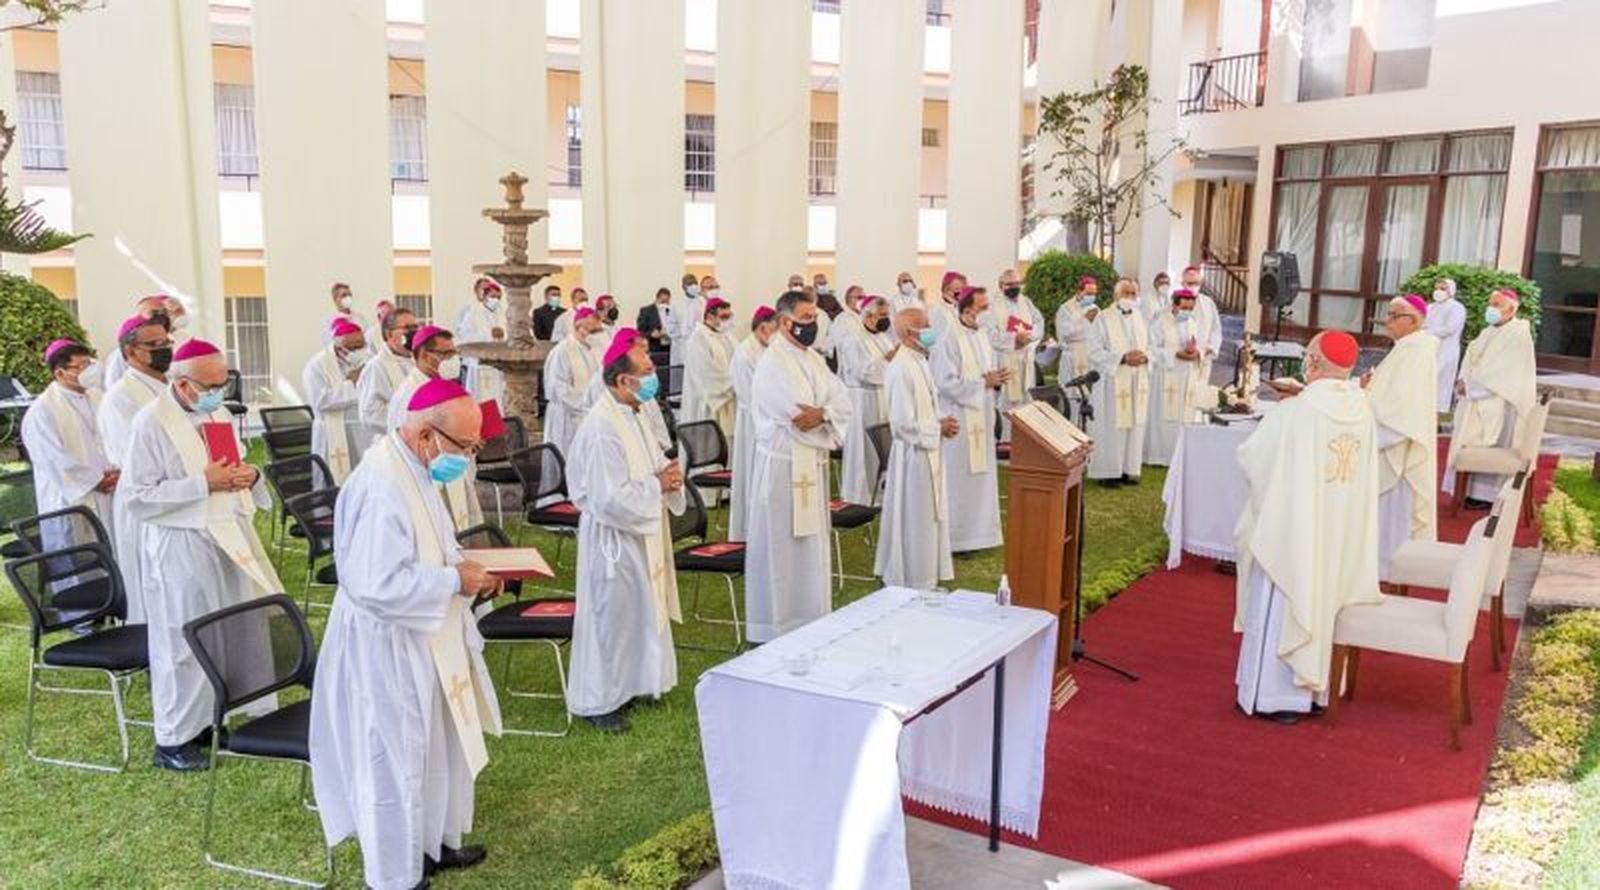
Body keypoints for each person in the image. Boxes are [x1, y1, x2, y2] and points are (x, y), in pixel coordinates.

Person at [309, 378, 501, 890]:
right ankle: (394, 875)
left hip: (427, 634)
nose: (471, 456)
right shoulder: (381, 484)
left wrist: (469, 569)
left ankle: (430, 844)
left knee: (434, 746)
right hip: (386, 646)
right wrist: (453, 580)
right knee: (393, 760)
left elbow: (435, 545)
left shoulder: (414, 469)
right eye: (467, 446)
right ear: (425, 437)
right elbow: (377, 583)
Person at [122, 339, 278, 771]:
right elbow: (136, 496)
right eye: (209, 385)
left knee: (226, 632)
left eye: (222, 382)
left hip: (228, 533)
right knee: (183, 638)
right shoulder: (149, 423)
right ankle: (172, 739)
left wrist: (251, 474)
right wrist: (201, 484)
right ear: (183, 383)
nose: (218, 392)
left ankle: (214, 718)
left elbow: (235, 463)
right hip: (181, 543)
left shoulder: (218, 411)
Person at [1234, 331, 1380, 722]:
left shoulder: (1297, 410)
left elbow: (1253, 460)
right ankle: (1315, 693)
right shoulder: (1362, 407)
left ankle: (1275, 696)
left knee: (1289, 593)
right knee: (1325, 594)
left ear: (1313, 363)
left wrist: (1281, 410)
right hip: (1338, 528)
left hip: (1296, 529)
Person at [566, 329, 687, 732]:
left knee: (637, 611)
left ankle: (634, 683)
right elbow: (607, 498)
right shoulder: (603, 428)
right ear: (623, 380)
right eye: (648, 370)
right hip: (613, 538)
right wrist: (658, 485)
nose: (655, 376)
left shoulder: (631, 413)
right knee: (611, 616)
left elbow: (651, 464)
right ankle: (600, 700)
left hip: (640, 530)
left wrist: (665, 476)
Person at [745, 290, 853, 643]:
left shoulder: (813, 360)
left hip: (809, 466)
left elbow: (841, 401)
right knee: (782, 546)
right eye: (806, 317)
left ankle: (810, 615)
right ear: (786, 321)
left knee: (810, 545)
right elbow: (795, 418)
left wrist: (824, 414)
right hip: (782, 468)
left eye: (814, 317)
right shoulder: (772, 364)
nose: (813, 324)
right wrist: (824, 416)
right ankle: (777, 622)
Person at [874, 307, 956, 589]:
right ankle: (912, 578)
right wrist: (938, 428)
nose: (930, 329)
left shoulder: (919, 360)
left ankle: (928, 577)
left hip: (928, 451)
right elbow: (901, 424)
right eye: (925, 325)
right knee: (915, 520)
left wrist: (940, 420)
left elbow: (926, 409)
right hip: (913, 457)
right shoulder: (900, 367)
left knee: (929, 518)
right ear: (909, 332)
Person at [98, 316, 173, 622]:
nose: (164, 349)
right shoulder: (120, 398)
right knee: (152, 583)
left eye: (166, 343)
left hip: (183, 493)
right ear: (130, 353)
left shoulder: (170, 387)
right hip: (147, 499)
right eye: (153, 345)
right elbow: (133, 458)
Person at [1363, 295, 1439, 577]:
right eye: (1389, 314)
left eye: (1394, 315)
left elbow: (1401, 413)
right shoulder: (1406, 348)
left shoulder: (1415, 352)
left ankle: (1387, 572)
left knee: (1391, 522)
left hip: (1397, 450)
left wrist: (1367, 432)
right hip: (1389, 440)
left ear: (1413, 321)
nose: (1387, 320)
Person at [1445, 288, 1538, 509]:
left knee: (1493, 443)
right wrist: (1462, 381)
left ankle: (1489, 496)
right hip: (1477, 397)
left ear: (1511, 309)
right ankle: (1468, 492)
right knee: (1471, 442)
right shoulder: (1488, 331)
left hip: (1504, 403)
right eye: (1491, 303)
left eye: (1496, 305)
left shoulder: (1518, 334)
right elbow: (1472, 357)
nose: (1491, 308)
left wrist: (1471, 388)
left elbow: (1504, 373)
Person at [930, 287, 1006, 552]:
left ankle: (979, 533)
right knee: (958, 475)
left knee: (981, 474)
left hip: (981, 416)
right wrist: (984, 382)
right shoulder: (948, 340)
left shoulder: (982, 336)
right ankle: (956, 537)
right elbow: (945, 382)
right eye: (984, 307)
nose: (988, 312)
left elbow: (986, 374)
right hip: (959, 418)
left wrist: (995, 380)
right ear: (967, 310)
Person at [23, 339, 117, 551]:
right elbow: (53, 460)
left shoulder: (97, 396)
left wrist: (115, 471)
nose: (89, 370)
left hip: (109, 489)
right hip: (72, 498)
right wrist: (95, 481)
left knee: (115, 555)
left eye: (90, 363)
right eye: (81, 366)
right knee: (79, 566)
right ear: (60, 373)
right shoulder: (42, 412)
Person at [389, 325, 483, 531]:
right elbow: (406, 444)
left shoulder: (443, 386)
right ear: (425, 354)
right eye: (446, 353)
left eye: (454, 352)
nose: (453, 359)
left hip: (451, 471)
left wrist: (467, 443)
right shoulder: (410, 393)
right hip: (429, 478)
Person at [1086, 279, 1151, 486]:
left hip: (1135, 379)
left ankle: (1126, 469)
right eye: (1126, 292)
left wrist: (1145, 357)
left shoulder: (1140, 317)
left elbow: (1151, 345)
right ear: (1116, 295)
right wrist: (1122, 358)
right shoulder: (1103, 318)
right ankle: (1106, 472)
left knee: (1132, 425)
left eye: (1133, 293)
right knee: (1111, 426)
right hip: (1112, 381)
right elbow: (1094, 350)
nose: (1130, 297)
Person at [836, 296, 895, 506]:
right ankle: (859, 496)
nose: (886, 320)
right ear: (868, 316)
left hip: (882, 397)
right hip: (863, 399)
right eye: (882, 316)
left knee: (882, 450)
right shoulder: (854, 340)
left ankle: (881, 494)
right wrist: (888, 360)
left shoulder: (883, 338)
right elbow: (864, 373)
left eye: (887, 315)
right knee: (864, 450)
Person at [1145, 288, 1210, 466]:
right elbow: (1151, 348)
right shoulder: (1160, 321)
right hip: (1167, 375)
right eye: (1184, 308)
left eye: (1191, 308)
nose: (1187, 312)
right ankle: (1160, 455)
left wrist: (1196, 352)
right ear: (1174, 305)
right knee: (1165, 416)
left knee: (1184, 415)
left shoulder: (1192, 322)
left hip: (1187, 376)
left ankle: (1181, 453)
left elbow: (1202, 345)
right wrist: (1175, 354)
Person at [729, 306, 777, 541]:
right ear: (763, 326)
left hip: (768, 419)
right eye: (774, 328)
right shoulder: (745, 353)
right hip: (754, 422)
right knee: (751, 473)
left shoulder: (767, 348)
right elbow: (750, 394)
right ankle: (748, 529)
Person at [301, 318, 368, 481]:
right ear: (339, 347)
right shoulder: (317, 366)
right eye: (354, 347)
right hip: (331, 437)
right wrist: (351, 383)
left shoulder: (366, 362)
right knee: (334, 481)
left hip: (363, 432)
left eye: (362, 344)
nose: (360, 350)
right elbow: (321, 401)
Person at [983, 268, 1043, 440]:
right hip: (1005, 359)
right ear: (1001, 286)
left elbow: (1039, 322)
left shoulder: (1026, 302)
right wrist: (1014, 340)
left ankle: (1024, 444)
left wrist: (1030, 336)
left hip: (1025, 359)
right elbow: (991, 335)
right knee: (1007, 402)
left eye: (1018, 283)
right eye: (1010, 284)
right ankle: (1006, 443)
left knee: (1026, 400)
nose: (1015, 287)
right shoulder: (992, 306)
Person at [542, 307, 602, 458]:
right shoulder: (562, 351)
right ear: (578, 327)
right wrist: (585, 403)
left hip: (588, 413)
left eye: (598, 331)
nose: (596, 335)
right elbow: (557, 388)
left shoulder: (593, 350)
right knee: (566, 457)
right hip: (567, 416)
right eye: (592, 331)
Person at [356, 307, 418, 451]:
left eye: (415, 327)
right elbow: (369, 414)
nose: (413, 332)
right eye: (407, 328)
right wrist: (409, 423)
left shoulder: (417, 360)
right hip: (392, 444)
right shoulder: (376, 367)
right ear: (389, 334)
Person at [102, 294, 188, 389]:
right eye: (154, 313)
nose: (161, 316)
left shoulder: (171, 344)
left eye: (164, 312)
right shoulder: (120, 355)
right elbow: (113, 386)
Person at [682, 297, 737, 438]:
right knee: (710, 449)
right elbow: (707, 378)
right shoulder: (698, 340)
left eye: (729, 316)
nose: (728, 321)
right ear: (709, 317)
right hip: (709, 406)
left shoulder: (728, 337)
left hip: (730, 401)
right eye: (724, 317)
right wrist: (737, 382)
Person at [455, 276, 508, 407]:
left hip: (499, 363)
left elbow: (509, 333)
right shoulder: (473, 312)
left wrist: (503, 334)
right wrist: (490, 334)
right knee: (480, 398)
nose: (495, 300)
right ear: (484, 295)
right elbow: (465, 336)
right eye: (492, 296)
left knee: (499, 397)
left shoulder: (503, 313)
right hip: (479, 363)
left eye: (498, 297)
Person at [1425, 276, 1467, 413]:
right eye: (1436, 288)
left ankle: (1439, 413)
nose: (1438, 291)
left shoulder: (1457, 308)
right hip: (1429, 348)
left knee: (1441, 382)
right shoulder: (1430, 307)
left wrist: (1429, 332)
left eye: (1443, 288)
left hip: (1446, 350)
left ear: (1451, 291)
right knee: (1427, 380)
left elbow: (1450, 328)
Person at [1178, 265, 1224, 377]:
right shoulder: (1172, 304)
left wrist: (1209, 348)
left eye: (1196, 283)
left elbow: (1216, 329)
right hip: (1178, 359)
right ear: (1182, 283)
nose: (1193, 286)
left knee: (1200, 391)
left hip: (1202, 358)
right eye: (1189, 283)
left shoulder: (1208, 303)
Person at [1054, 276, 1099, 387]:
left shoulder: (1095, 309)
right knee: (1071, 393)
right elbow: (1065, 334)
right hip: (1071, 356)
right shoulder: (1066, 308)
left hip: (1089, 355)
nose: (1091, 297)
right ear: (1079, 291)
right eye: (1088, 294)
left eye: (1094, 294)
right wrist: (1085, 320)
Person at [670, 274, 711, 365]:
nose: (693, 286)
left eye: (694, 283)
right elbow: (671, 327)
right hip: (681, 346)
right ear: (683, 287)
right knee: (680, 374)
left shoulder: (703, 302)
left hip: (699, 344)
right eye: (689, 284)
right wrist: (682, 334)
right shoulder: (676, 304)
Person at [637, 286, 674, 363]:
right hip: (654, 349)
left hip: (669, 348)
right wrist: (651, 334)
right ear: (657, 298)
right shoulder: (646, 311)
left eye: (667, 301)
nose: (664, 304)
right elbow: (639, 332)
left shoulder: (672, 310)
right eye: (662, 301)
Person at [928, 270, 964, 337]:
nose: (959, 293)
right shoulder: (936, 311)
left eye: (960, 289)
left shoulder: (960, 309)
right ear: (945, 289)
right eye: (956, 289)